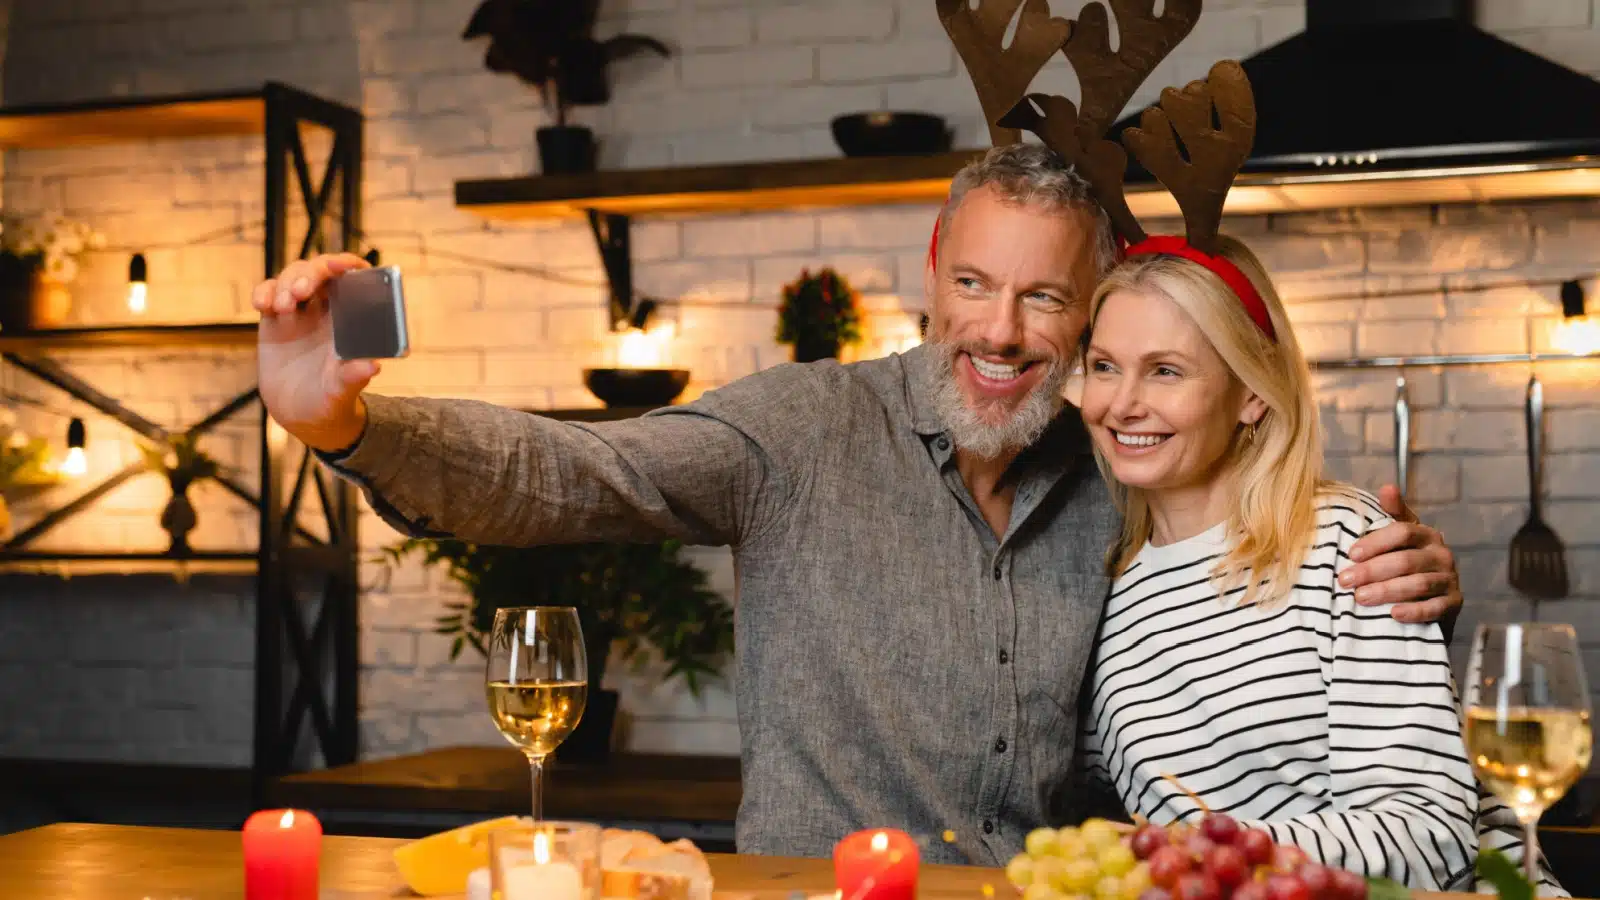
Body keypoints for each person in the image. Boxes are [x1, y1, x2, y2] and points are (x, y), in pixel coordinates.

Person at [251, 143, 1464, 867]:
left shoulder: (1116, 471)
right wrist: (345, 425)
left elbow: (1248, 553)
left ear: (1092, 309)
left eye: (1045, 299)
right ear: (930, 276)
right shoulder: (801, 431)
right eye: (974, 283)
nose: (999, 330)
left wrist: (1397, 574)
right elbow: (572, 472)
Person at [1067, 231, 1566, 893]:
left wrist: (1198, 855)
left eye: (1166, 371)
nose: (1122, 404)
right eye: (1104, 366)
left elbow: (1431, 834)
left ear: (1251, 393)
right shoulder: (1100, 590)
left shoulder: (1349, 545)